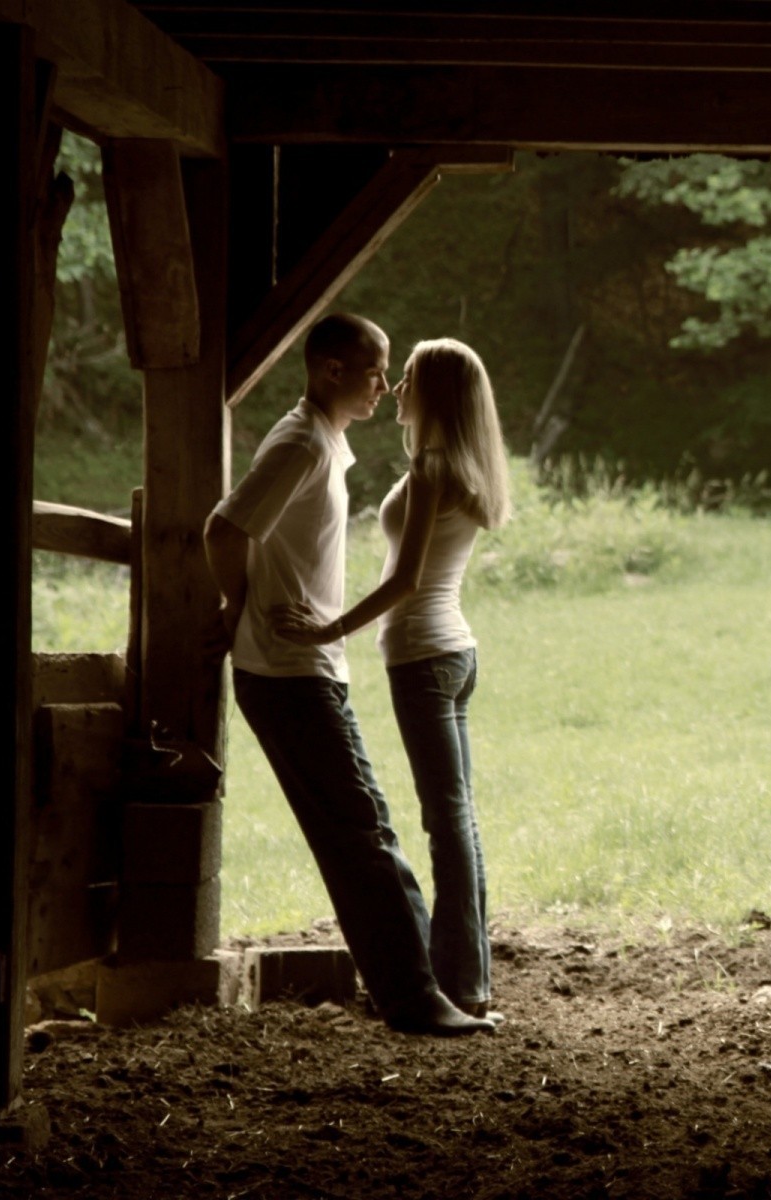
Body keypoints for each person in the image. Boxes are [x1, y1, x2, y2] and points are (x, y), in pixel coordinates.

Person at [203, 313, 494, 1037]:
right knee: (365, 832)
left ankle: (418, 987)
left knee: (359, 832)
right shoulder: (304, 443)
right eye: (373, 371)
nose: (386, 384)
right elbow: (224, 526)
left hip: (313, 664)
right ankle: (418, 997)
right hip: (289, 667)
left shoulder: (328, 444)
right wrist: (237, 606)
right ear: (331, 371)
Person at [273, 337, 511, 1022]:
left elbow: (406, 581)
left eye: (405, 377)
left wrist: (326, 629)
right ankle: (465, 975)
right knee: (455, 819)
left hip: (424, 659)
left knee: (447, 822)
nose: (396, 387)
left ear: (433, 392)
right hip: (454, 654)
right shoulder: (463, 466)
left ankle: (460, 983)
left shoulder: (436, 466)